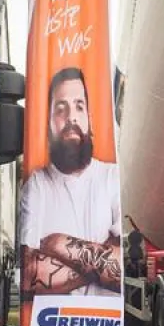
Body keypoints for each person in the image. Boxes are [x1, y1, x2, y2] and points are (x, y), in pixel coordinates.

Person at [20, 67, 122, 298]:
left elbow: (126, 267)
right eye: (60, 109)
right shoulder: (37, 186)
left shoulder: (113, 178)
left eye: (79, 106)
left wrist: (57, 244)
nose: (71, 117)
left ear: (89, 119)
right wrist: (102, 261)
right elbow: (28, 272)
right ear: (49, 124)